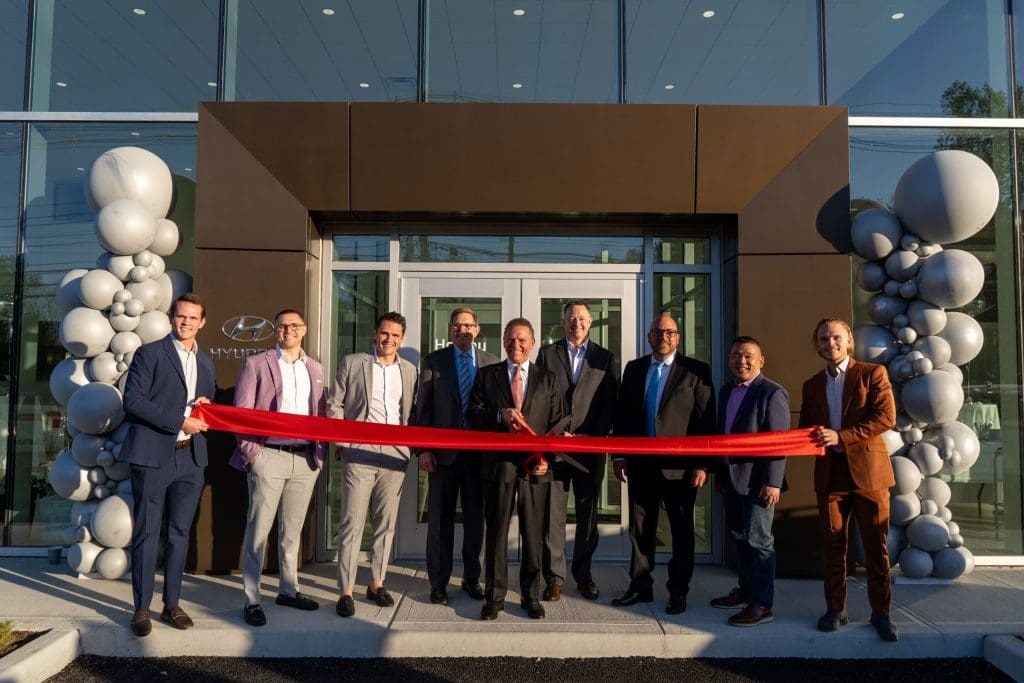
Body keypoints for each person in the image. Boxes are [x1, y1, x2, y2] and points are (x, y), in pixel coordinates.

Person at [122, 293, 216, 638]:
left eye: (193, 318)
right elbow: (132, 401)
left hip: (191, 458)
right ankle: (141, 607)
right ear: (171, 317)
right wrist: (180, 420)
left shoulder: (205, 362)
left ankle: (172, 603)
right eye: (180, 316)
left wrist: (205, 406)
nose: (186, 322)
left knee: (179, 534)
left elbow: (205, 406)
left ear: (202, 322)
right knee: (148, 533)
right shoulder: (150, 354)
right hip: (152, 456)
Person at [798, 318, 898, 641]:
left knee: (875, 547)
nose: (830, 343)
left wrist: (841, 437)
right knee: (833, 546)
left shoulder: (873, 374)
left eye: (836, 337)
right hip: (831, 476)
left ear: (849, 340)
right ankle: (835, 609)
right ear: (816, 346)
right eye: (823, 338)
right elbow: (809, 430)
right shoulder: (811, 384)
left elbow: (886, 417)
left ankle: (881, 614)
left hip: (869, 474)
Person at [611, 314, 715, 615]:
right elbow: (623, 415)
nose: (663, 336)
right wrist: (619, 455)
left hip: (680, 467)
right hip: (641, 465)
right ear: (649, 337)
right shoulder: (634, 369)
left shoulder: (695, 371)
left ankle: (678, 592)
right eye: (657, 331)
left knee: (682, 531)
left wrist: (702, 464)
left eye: (669, 332)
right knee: (641, 530)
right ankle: (640, 587)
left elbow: (705, 420)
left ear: (678, 338)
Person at [229, 309, 326, 627]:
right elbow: (241, 412)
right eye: (283, 326)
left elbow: (321, 415)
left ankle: (289, 589)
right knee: (258, 529)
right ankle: (252, 598)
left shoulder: (316, 368)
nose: (289, 331)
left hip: (305, 458)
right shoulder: (257, 364)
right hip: (268, 456)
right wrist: (252, 453)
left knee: (292, 532)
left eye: (295, 326)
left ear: (305, 329)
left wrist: (320, 455)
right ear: (275, 331)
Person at [467, 318, 566, 621]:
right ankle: (494, 597)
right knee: (496, 533)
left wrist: (548, 458)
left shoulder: (547, 379)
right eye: (511, 339)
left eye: (522, 340)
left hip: (536, 468)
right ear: (504, 342)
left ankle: (531, 596)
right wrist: (499, 414)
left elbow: (559, 423)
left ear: (532, 343)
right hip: (498, 467)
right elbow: (473, 414)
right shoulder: (487, 375)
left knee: (533, 534)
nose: (516, 345)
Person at [327, 311, 418, 618]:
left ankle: (376, 583)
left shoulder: (409, 370)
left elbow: (411, 411)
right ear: (375, 334)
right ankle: (346, 590)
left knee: (385, 523)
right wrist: (342, 443)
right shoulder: (353, 363)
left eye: (394, 335)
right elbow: (334, 404)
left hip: (394, 454)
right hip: (359, 451)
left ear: (401, 339)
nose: (388, 339)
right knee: (352, 523)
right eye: (384, 333)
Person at [413, 307, 499, 605]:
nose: (463, 330)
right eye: (458, 325)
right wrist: (423, 449)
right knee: (440, 522)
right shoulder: (434, 362)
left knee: (477, 522)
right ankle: (438, 582)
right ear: (450, 329)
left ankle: (472, 578)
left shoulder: (491, 363)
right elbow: (422, 410)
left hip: (478, 458)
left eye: (469, 325)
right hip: (443, 457)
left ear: (477, 330)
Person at [536, 301, 617, 601]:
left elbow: (610, 403)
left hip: (588, 449)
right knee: (552, 517)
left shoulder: (604, 357)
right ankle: (554, 577)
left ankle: (583, 576)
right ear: (563, 321)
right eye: (572, 318)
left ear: (591, 322)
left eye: (582, 318)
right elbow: (539, 397)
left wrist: (588, 436)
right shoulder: (547, 353)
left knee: (588, 516)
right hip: (556, 448)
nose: (577, 323)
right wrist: (552, 436)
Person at [711, 336, 789, 627]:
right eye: (735, 356)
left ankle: (762, 604)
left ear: (760, 361)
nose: (741, 361)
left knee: (760, 543)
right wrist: (721, 474)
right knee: (740, 540)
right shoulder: (725, 391)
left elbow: (778, 442)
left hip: (759, 483)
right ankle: (745, 590)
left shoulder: (772, 393)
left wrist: (773, 482)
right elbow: (723, 437)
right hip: (731, 479)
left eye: (747, 356)